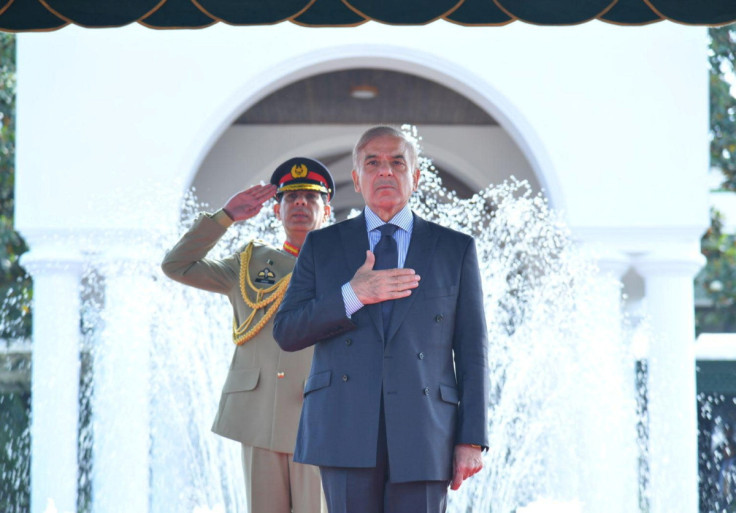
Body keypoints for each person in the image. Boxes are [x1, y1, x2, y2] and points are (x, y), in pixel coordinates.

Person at [273, 126, 489, 513]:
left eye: (397, 162)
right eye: (372, 163)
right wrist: (353, 295)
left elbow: (473, 351)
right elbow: (287, 331)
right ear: (357, 179)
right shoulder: (322, 246)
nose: (385, 171)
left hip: (426, 430)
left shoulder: (454, 248)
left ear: (415, 177)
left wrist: (470, 439)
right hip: (343, 426)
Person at [161, 157, 335, 513]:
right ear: (275, 210)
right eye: (290, 198)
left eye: (310, 197)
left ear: (327, 210)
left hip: (319, 416)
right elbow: (177, 265)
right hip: (260, 414)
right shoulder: (250, 262)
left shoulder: (347, 267)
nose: (300, 203)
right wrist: (226, 216)